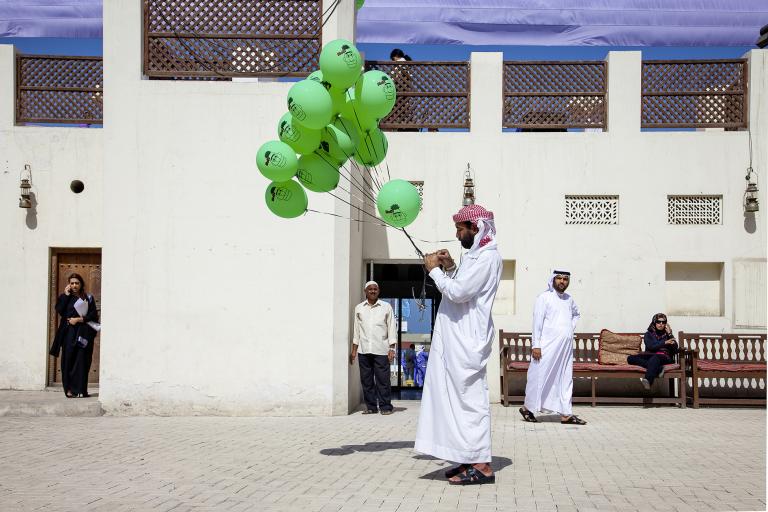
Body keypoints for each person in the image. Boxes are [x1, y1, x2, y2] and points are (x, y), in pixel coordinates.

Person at [415, 204, 503, 485]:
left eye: (460, 229)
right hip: (456, 338)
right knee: (454, 400)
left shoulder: (488, 258)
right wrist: (451, 267)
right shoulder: (474, 257)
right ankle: (467, 457)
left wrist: (434, 271)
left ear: (475, 228)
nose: (457, 234)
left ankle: (482, 465)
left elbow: (460, 292)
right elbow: (462, 284)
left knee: (470, 401)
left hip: (468, 341)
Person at [519, 270, 586, 425]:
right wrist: (536, 345)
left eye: (565, 279)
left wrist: (569, 327)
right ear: (553, 280)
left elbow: (576, 314)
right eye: (559, 278)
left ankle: (566, 414)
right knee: (538, 375)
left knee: (565, 378)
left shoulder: (569, 299)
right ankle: (527, 408)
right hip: (546, 346)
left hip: (565, 348)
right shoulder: (544, 298)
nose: (562, 281)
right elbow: (537, 323)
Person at [48, 273, 99, 398]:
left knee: (82, 361)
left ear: (81, 284)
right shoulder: (65, 297)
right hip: (69, 333)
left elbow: (93, 316)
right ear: (69, 284)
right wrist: (65, 296)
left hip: (83, 333)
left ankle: (81, 390)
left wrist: (78, 320)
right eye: (72, 283)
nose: (74, 285)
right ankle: (69, 390)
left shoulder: (88, 298)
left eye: (77, 283)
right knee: (68, 360)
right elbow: (59, 310)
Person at [349, 281, 397, 415]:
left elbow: (392, 328)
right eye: (370, 289)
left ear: (379, 291)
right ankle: (371, 407)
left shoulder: (386, 307)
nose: (373, 291)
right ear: (365, 291)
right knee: (366, 381)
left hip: (381, 349)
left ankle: (386, 407)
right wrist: (354, 350)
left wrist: (392, 349)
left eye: (375, 289)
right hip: (363, 350)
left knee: (383, 380)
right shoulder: (359, 308)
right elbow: (356, 330)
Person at [628, 313, 678, 390]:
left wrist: (670, 334)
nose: (661, 324)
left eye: (663, 322)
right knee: (630, 358)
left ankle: (648, 380)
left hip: (664, 357)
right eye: (658, 322)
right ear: (654, 322)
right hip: (650, 355)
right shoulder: (648, 334)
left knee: (655, 358)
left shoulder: (668, 335)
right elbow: (651, 346)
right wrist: (664, 343)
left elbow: (675, 349)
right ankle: (659, 369)